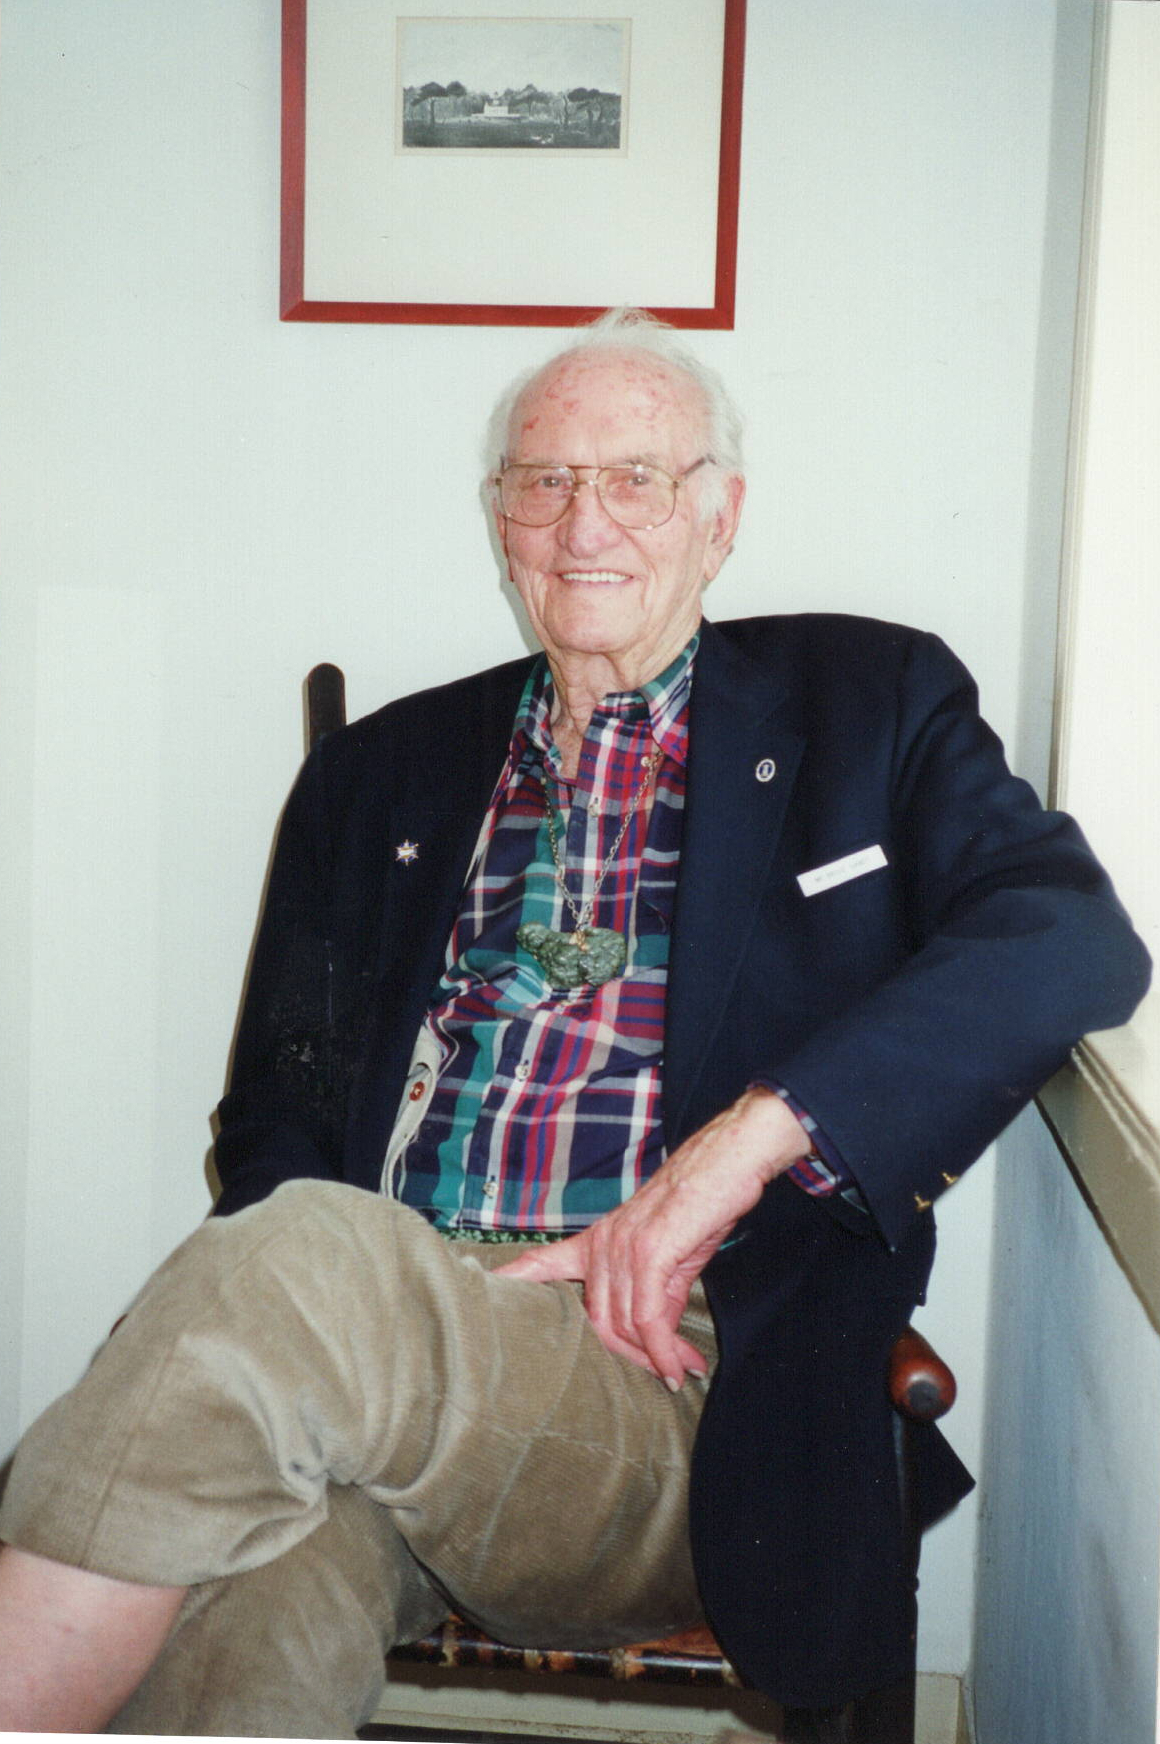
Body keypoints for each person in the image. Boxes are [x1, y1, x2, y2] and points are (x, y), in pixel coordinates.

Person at [0, 309, 1149, 1736]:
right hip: (368, 1335)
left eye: (635, 479)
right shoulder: (380, 772)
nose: (582, 521)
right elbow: (278, 1111)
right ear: (501, 522)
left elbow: (1068, 936)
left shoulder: (870, 704)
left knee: (292, 1262)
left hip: (674, 1380)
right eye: (543, 481)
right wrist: (361, 1303)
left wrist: (746, 1145)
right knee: (257, 1587)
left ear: (720, 517)